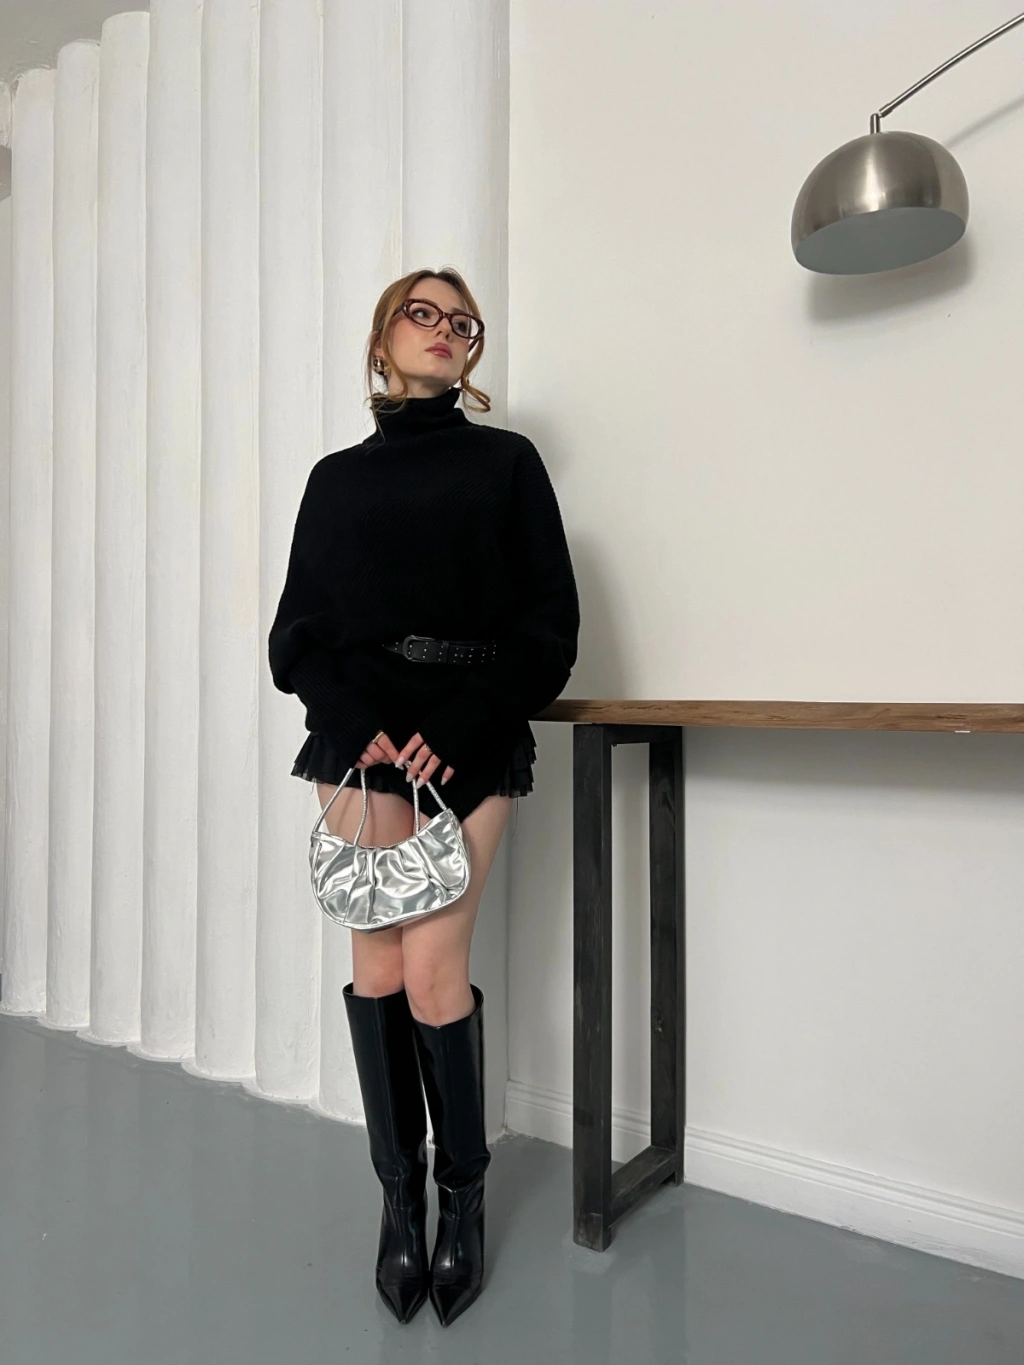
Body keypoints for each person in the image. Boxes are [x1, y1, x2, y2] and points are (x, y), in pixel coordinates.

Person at [267, 267, 580, 1327]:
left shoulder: (507, 464)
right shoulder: (335, 480)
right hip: (359, 739)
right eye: (423, 314)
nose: (446, 331)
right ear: (382, 340)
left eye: (463, 323)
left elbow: (548, 628)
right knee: (379, 966)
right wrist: (359, 720)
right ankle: (399, 1203)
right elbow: (297, 635)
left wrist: (456, 727)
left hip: (470, 732)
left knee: (436, 966)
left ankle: (464, 1199)